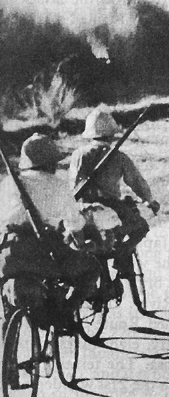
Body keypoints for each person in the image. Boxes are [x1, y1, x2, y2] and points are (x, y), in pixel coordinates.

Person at [1, 133, 100, 331]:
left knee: (7, 299)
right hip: (45, 250)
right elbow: (75, 224)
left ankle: (7, 353)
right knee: (91, 268)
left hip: (8, 250)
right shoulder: (58, 185)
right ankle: (66, 312)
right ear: (50, 163)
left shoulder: (9, 183)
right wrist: (81, 246)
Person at [69, 108, 160, 276]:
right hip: (111, 208)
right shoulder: (118, 156)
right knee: (141, 227)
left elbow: (73, 184)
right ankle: (121, 254)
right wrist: (149, 200)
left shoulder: (78, 155)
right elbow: (136, 182)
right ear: (110, 135)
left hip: (83, 208)